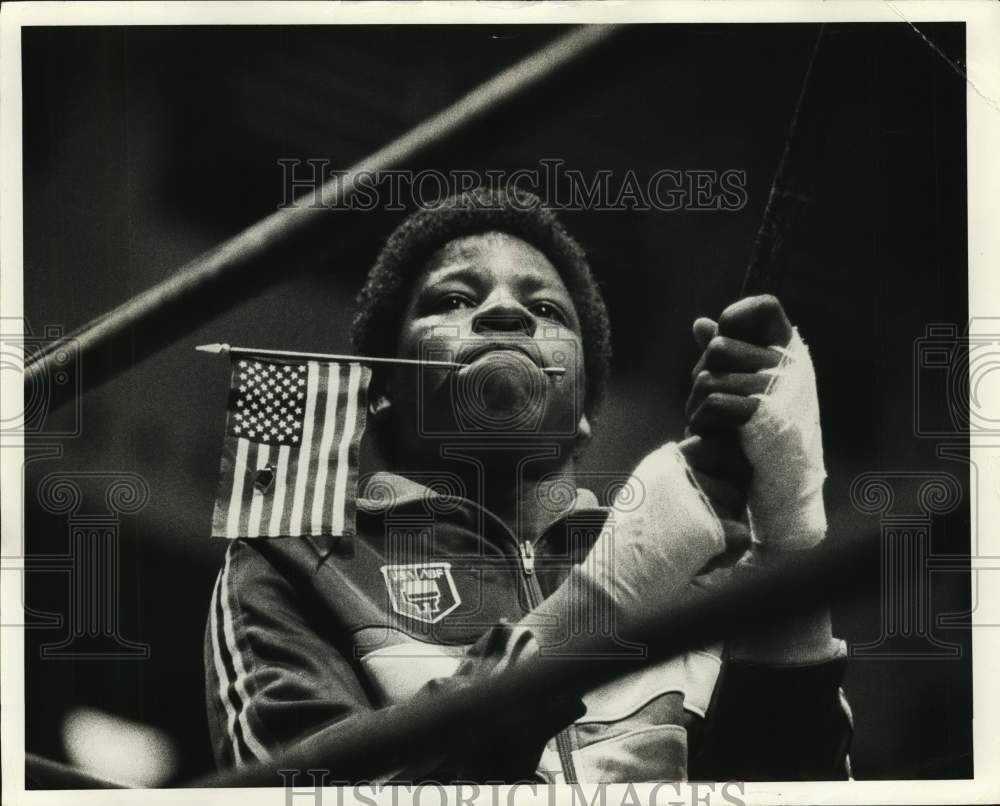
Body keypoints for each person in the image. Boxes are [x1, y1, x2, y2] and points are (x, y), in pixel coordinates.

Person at [204, 186, 852, 782]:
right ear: (382, 394)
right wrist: (603, 601)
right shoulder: (293, 564)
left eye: (545, 309)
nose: (505, 311)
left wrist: (792, 523)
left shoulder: (699, 571)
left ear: (584, 408)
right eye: (454, 300)